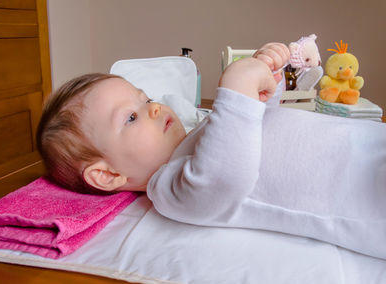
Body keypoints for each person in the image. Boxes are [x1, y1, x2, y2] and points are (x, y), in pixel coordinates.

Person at [37, 43, 386, 259]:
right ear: (108, 174)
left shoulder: (202, 130)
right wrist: (237, 88)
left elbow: (256, 124)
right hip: (367, 194)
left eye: (145, 99)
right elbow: (226, 176)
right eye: (131, 117)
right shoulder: (169, 188)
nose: (155, 108)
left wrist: (267, 82)